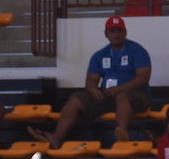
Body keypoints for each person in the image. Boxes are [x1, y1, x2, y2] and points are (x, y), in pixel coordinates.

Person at [36, 16, 151, 149]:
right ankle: (56, 139)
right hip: (107, 96)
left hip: (136, 95)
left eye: (119, 31)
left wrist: (119, 88)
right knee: (76, 99)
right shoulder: (99, 55)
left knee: (122, 96)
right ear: (106, 34)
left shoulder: (137, 51)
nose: (116, 34)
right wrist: (93, 90)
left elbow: (143, 78)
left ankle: (122, 137)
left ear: (125, 32)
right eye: (112, 31)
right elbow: (91, 80)